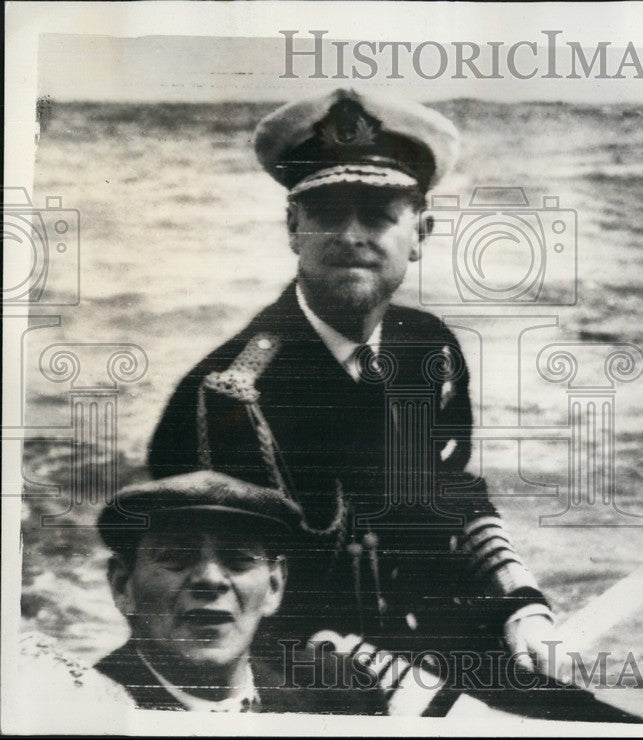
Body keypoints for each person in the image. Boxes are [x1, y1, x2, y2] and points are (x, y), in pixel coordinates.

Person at [147, 88, 561, 685]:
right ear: (294, 227)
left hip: (442, 642)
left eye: (377, 215)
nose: (350, 234)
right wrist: (400, 689)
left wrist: (520, 599)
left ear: (421, 233)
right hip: (299, 682)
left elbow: (449, 493)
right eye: (327, 213)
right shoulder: (229, 399)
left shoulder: (429, 350)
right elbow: (220, 611)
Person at [94, 470, 380, 713]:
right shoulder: (83, 708)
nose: (210, 579)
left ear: (274, 586)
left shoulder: (343, 689)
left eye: (238, 559)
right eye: (175, 557)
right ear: (122, 585)